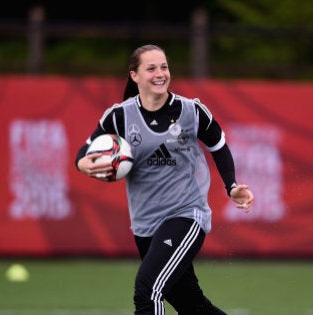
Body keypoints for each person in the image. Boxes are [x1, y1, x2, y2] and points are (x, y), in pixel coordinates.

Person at [75, 44, 254, 315]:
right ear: (134, 76)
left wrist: (231, 186)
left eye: (164, 67)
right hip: (145, 225)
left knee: (147, 290)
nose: (160, 73)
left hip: (186, 216)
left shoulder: (191, 111)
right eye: (151, 68)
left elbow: (218, 145)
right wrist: (84, 164)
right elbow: (84, 151)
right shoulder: (119, 116)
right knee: (191, 305)